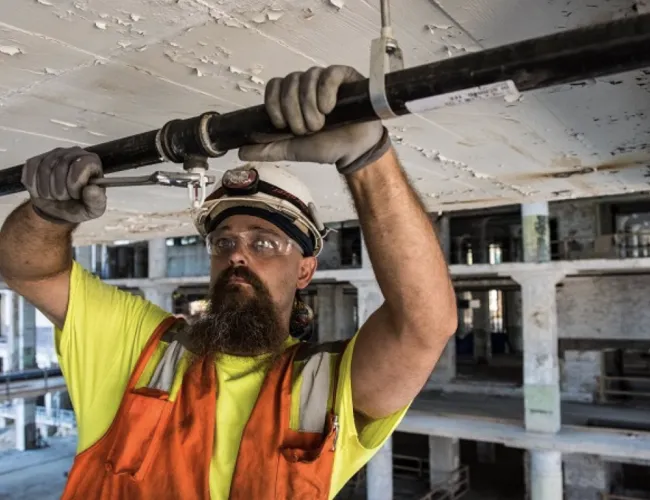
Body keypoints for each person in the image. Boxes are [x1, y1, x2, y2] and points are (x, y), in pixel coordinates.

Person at [0, 65, 457, 499]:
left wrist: (368, 158)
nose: (236, 253)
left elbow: (424, 325)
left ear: (304, 270)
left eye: (264, 244)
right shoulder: (140, 346)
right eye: (223, 243)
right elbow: (29, 270)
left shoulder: (327, 387)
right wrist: (45, 216)